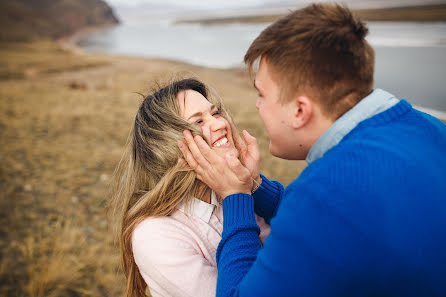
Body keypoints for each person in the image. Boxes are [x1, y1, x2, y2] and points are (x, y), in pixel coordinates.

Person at [178, 3, 446, 297]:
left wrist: (234, 197)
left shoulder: (325, 196)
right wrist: (254, 187)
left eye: (262, 94)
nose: (257, 105)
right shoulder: (432, 128)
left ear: (299, 110)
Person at [110, 78, 270, 297]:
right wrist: (238, 196)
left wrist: (253, 185)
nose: (220, 124)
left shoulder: (231, 188)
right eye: (198, 122)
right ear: (168, 146)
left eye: (215, 113)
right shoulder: (155, 236)